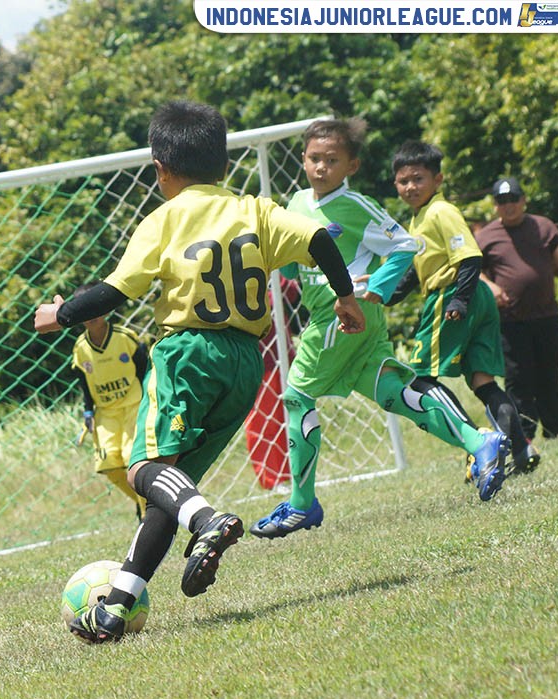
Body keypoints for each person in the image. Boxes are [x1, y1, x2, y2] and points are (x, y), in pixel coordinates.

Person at [34, 100, 366, 643]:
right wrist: (345, 297)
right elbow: (319, 239)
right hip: (245, 364)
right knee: (172, 488)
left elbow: (115, 292)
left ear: (161, 169)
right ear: (225, 165)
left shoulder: (164, 219)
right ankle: (116, 607)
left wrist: (60, 313)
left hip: (187, 354)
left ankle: (209, 522)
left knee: (143, 468)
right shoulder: (255, 209)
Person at [250, 119, 508, 539]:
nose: (321, 168)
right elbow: (290, 255)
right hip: (330, 317)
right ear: (302, 159)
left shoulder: (356, 206)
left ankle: (301, 504)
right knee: (392, 392)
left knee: (296, 395)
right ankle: (479, 442)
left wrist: (373, 289)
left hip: (343, 318)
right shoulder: (296, 203)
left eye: (332, 161)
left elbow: (406, 245)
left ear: (351, 165)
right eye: (314, 158)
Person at [387, 140, 523, 499]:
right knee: (482, 380)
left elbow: (470, 256)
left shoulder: (439, 212)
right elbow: (415, 273)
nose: (410, 187)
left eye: (418, 178)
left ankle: (478, 444)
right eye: (403, 181)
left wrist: (459, 301)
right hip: (472, 299)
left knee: (418, 379)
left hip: (452, 295)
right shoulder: (417, 220)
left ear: (438, 179)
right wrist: (382, 295)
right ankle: (521, 451)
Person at [475, 177, 558, 448]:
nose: (509, 205)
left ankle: (555, 428)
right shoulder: (485, 237)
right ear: (495, 205)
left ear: (523, 200)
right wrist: (491, 286)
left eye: (513, 199)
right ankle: (524, 433)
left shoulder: (544, 227)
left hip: (546, 316)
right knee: (518, 378)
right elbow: (473, 271)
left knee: (551, 372)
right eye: (502, 201)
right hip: (510, 321)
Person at [70, 283, 149, 519]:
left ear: (105, 310)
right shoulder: (80, 348)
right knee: (108, 466)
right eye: (84, 312)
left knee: (131, 460)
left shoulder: (126, 338)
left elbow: (144, 371)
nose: (91, 317)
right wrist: (87, 413)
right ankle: (141, 501)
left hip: (132, 406)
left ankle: (147, 518)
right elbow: (84, 383)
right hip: (105, 413)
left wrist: (150, 401)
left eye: (95, 310)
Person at [245, 275, 302, 490]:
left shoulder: (270, 275)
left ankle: (296, 469)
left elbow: (292, 292)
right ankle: (273, 479)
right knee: (262, 422)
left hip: (285, 359)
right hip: (256, 363)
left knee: (290, 417)